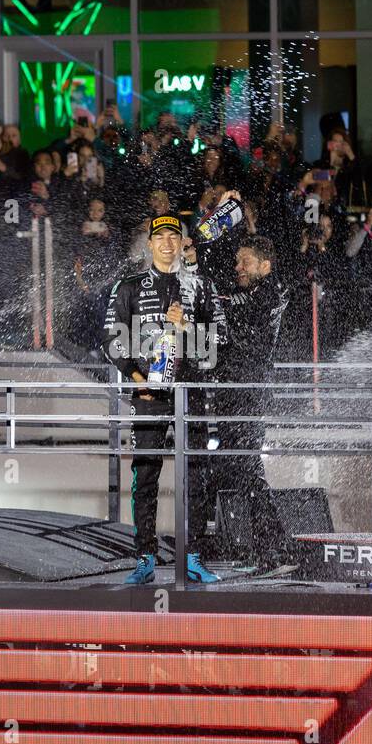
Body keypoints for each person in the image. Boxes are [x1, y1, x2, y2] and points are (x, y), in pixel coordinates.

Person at [102, 213, 227, 585]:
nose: (168, 243)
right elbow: (111, 340)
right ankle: (144, 557)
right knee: (145, 474)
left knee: (197, 475)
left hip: (190, 395)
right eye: (161, 237)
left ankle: (193, 556)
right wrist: (138, 378)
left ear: (182, 242)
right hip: (149, 395)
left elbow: (222, 343)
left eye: (175, 236)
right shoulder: (129, 286)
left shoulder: (201, 286)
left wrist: (187, 327)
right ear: (151, 243)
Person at [211, 234, 293, 571]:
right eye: (237, 261)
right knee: (236, 469)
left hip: (251, 391)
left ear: (265, 265)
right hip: (234, 389)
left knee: (248, 468)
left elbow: (235, 308)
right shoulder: (247, 293)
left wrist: (210, 299)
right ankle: (258, 549)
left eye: (245, 261)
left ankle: (277, 549)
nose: (238, 267)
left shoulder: (272, 291)